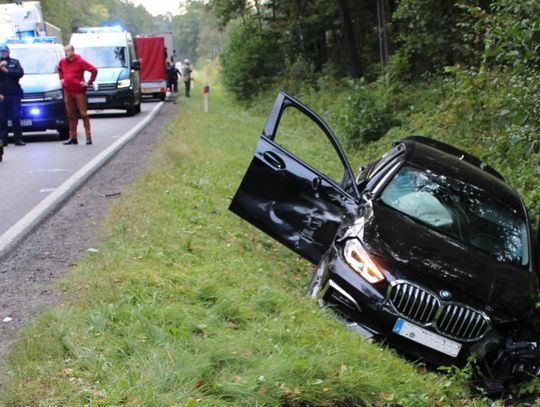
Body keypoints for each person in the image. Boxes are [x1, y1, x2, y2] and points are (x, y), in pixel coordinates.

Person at [57, 44, 97, 145]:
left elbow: (94, 70)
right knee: (71, 115)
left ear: (72, 51)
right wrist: (61, 79)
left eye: (67, 51)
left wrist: (88, 83)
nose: (66, 53)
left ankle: (88, 136)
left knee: (83, 114)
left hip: (79, 91)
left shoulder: (80, 61)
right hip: (68, 91)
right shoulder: (62, 62)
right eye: (65, 51)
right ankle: (73, 137)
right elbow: (59, 69)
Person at [0, 43, 25, 147]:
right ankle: (3, 140)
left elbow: (20, 73)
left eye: (5, 51)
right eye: (1, 52)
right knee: (2, 119)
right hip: (2, 96)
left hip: (14, 95)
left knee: (16, 117)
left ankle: (18, 139)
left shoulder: (15, 62)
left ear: (9, 52)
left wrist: (7, 71)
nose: (3, 53)